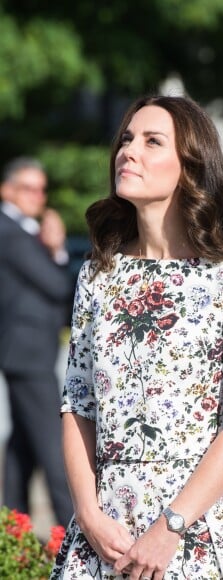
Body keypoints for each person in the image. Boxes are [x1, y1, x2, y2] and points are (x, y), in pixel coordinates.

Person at [50, 95, 223, 580]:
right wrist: (87, 514)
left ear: (190, 167)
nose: (129, 151)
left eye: (152, 141)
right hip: (105, 528)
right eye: (127, 139)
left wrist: (170, 526)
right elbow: (77, 402)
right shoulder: (100, 273)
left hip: (194, 529)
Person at [0, 157, 74, 527]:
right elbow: (57, 284)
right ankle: (73, 534)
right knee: (54, 448)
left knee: (22, 450)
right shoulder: (11, 232)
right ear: (7, 190)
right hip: (27, 356)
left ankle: (14, 533)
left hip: (25, 354)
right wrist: (57, 248)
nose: (39, 196)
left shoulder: (19, 230)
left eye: (42, 189)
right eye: (29, 188)